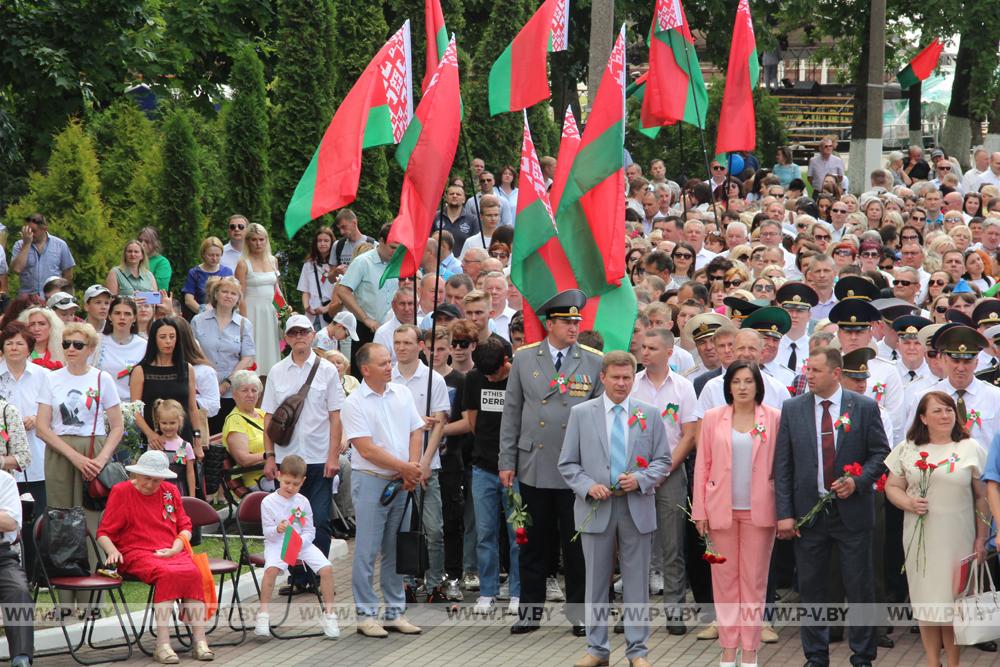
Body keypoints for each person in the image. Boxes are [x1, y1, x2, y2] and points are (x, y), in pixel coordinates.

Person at [773, 346, 890, 667]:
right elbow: (783, 465)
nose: (807, 375)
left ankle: (863, 655)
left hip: (852, 513)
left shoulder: (864, 407)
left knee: (859, 586)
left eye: (815, 371)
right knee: (812, 588)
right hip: (809, 515)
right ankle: (815, 656)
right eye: (807, 370)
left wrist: (859, 481)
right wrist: (784, 514)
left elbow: (881, 454)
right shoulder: (793, 408)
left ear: (836, 374)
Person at [499, 289, 604, 636]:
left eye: (577, 321)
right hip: (535, 463)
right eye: (567, 322)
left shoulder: (593, 360)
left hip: (576, 467)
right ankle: (530, 612)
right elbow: (511, 412)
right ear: (550, 324)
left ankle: (580, 614)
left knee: (576, 547)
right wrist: (506, 460)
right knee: (532, 543)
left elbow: (601, 417)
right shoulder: (526, 358)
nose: (574, 327)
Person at [558, 350, 669, 667]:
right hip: (597, 507)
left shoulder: (649, 413)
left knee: (637, 582)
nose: (622, 383)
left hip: (636, 507)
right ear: (602, 378)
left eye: (627, 377)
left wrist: (642, 478)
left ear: (634, 379)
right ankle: (597, 648)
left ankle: (638, 651)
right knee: (595, 581)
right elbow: (567, 463)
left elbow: (663, 460)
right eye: (616, 377)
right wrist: (587, 486)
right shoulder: (582, 413)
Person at [884, 390, 988, 667]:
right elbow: (891, 486)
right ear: (923, 418)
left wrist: (982, 537)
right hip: (921, 538)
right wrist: (908, 501)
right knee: (927, 603)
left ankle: (952, 661)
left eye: (949, 410)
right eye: (937, 411)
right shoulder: (908, 448)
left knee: (953, 603)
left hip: (958, 538)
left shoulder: (969, 448)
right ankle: (932, 661)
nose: (945, 416)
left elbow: (982, 495)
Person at [693, 362, 781, 667]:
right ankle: (728, 648)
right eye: (736, 381)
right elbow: (702, 466)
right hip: (721, 511)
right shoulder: (713, 418)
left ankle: (750, 649)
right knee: (725, 581)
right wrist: (699, 509)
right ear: (728, 386)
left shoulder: (773, 418)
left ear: (758, 385)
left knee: (754, 582)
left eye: (748, 381)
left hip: (760, 511)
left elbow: (781, 468)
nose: (743, 387)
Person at [96, 450, 213, 664]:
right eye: (146, 478)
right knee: (166, 573)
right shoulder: (121, 492)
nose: (150, 484)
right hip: (136, 551)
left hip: (171, 550)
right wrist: (112, 551)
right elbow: (103, 533)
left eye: (156, 480)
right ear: (136, 475)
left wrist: (177, 547)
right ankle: (162, 644)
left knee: (193, 572)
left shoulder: (170, 491)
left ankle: (199, 640)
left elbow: (185, 526)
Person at [341, 342, 424, 637]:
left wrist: (412, 466)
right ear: (365, 370)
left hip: (402, 481)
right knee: (367, 549)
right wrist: (407, 469)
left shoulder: (401, 392)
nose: (390, 366)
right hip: (373, 480)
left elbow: (416, 429)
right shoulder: (354, 403)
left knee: (395, 549)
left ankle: (394, 612)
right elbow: (366, 449)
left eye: (389, 361)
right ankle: (365, 614)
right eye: (383, 363)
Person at [261, 315, 343, 594]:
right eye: (293, 332)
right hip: (286, 457)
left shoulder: (328, 370)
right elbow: (269, 417)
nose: (299, 336)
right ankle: (297, 576)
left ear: (312, 335)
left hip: (319, 456)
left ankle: (317, 574)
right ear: (287, 337)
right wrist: (269, 456)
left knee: (318, 518)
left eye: (304, 331)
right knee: (289, 521)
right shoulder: (277, 371)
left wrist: (334, 457)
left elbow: (335, 417)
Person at [36, 323, 124, 573]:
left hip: (93, 448)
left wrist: (101, 458)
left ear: (91, 349)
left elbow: (117, 426)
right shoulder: (51, 378)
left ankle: (92, 593)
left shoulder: (101, 378)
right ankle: (64, 596)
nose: (71, 349)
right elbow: (43, 428)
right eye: (66, 344)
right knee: (61, 519)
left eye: (78, 344)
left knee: (93, 518)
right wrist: (74, 456)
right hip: (61, 450)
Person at [631, 329, 697, 631]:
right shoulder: (631, 384)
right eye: (643, 347)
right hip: (635, 474)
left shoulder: (683, 387)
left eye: (652, 348)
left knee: (672, 546)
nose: (645, 352)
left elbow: (689, 435)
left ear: (669, 353)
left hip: (669, 474)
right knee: (635, 545)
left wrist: (663, 471)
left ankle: (674, 610)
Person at [390, 324, 449, 601]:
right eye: (397, 342)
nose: (401, 347)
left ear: (420, 346)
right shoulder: (387, 376)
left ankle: (436, 581)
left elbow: (439, 423)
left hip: (428, 465)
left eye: (407, 342)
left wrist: (424, 463)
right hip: (395, 465)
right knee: (402, 529)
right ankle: (406, 581)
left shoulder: (432, 379)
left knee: (433, 528)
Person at [254, 454, 340, 639]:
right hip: (277, 543)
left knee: (326, 568)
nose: (290, 487)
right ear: (278, 476)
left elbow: (310, 530)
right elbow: (267, 532)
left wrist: (300, 542)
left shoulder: (303, 502)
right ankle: (263, 614)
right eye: (287, 482)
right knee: (271, 571)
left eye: (296, 484)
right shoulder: (268, 502)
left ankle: (330, 614)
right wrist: (277, 529)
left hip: (301, 543)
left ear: (303, 481)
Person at [463, 337, 520, 615]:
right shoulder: (474, 379)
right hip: (483, 467)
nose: (489, 378)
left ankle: (518, 591)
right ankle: (488, 591)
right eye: (485, 374)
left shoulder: (519, 378)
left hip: (516, 468)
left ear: (506, 362)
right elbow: (472, 420)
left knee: (517, 534)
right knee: (485, 532)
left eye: (494, 374)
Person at [0, 321, 48, 582]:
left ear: (29, 347)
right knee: (7, 520)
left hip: (35, 459)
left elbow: (53, 412)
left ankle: (34, 576)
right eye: (9, 343)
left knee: (34, 520)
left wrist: (34, 418)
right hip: (3, 464)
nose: (14, 347)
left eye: (20, 343)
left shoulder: (42, 376)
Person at [130, 318, 205, 457]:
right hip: (154, 438)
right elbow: (135, 410)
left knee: (182, 473)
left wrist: (197, 439)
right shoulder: (140, 371)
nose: (168, 341)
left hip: (183, 437)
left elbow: (193, 408)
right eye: (163, 337)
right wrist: (150, 434)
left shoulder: (187, 369)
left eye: (172, 336)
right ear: (154, 340)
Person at [191, 276, 255, 433]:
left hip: (231, 391)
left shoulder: (244, 324)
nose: (228, 296)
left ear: (238, 299)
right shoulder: (198, 321)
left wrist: (226, 383)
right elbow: (191, 352)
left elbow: (247, 358)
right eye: (224, 291)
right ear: (215, 294)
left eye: (233, 293)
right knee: (205, 434)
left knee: (228, 434)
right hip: (203, 390)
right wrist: (211, 377)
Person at [334, 223, 399, 377]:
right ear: (381, 241)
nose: (396, 252)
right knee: (363, 375)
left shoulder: (400, 261)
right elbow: (343, 290)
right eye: (392, 247)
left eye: (399, 248)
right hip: (367, 329)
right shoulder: (362, 262)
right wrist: (365, 318)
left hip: (392, 331)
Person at [235, 223, 282, 377]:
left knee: (270, 352)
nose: (258, 243)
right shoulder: (243, 263)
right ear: (248, 242)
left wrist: (284, 311)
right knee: (254, 352)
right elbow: (239, 295)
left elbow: (277, 291)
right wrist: (244, 322)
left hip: (270, 313)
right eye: (254, 240)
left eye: (261, 239)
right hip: (251, 312)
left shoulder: (273, 260)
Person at [0, 467, 34, 667]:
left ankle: (21, 658)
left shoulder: (5, 480)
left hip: (2, 555)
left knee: (18, 590)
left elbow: (10, 522)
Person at [220, 370, 270, 491]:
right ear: (234, 394)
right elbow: (243, 459)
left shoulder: (262, 414)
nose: (250, 394)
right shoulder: (235, 421)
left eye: (254, 390)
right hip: (260, 477)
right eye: (244, 390)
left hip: (279, 472)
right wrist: (271, 455)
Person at [10, 213, 75, 297]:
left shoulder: (60, 245)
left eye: (33, 231)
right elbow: (17, 269)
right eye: (27, 230)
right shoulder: (19, 245)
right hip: (28, 300)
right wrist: (26, 244)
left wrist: (64, 295)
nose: (29, 234)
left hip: (53, 298)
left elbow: (68, 274)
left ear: (44, 229)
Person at [98, 296, 148, 401]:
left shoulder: (144, 345)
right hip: (102, 404)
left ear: (134, 318)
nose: (122, 317)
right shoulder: (97, 341)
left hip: (132, 405)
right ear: (110, 316)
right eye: (117, 313)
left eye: (127, 314)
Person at [152, 398, 197, 495]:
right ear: (158, 421)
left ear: (179, 421)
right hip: (158, 491)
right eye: (164, 423)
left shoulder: (184, 446)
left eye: (172, 423)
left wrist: (192, 496)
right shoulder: (156, 444)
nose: (168, 427)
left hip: (179, 491)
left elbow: (190, 473)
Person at [297, 226, 338, 329]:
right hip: (314, 314)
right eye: (319, 241)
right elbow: (305, 290)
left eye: (326, 241)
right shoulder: (309, 265)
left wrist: (327, 308)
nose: (322, 244)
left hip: (333, 313)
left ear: (332, 242)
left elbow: (341, 293)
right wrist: (307, 307)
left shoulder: (337, 265)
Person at [183, 237, 234, 317]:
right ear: (203, 254)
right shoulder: (194, 273)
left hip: (223, 316)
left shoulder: (227, 272)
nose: (214, 258)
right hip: (201, 316)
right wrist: (204, 312)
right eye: (210, 255)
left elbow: (232, 296)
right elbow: (189, 300)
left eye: (218, 255)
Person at [138, 227, 172, 294]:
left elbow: (160, 294)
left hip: (152, 302)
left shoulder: (162, 263)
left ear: (155, 243)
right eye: (140, 241)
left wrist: (136, 297)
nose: (142, 244)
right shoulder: (132, 259)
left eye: (147, 242)